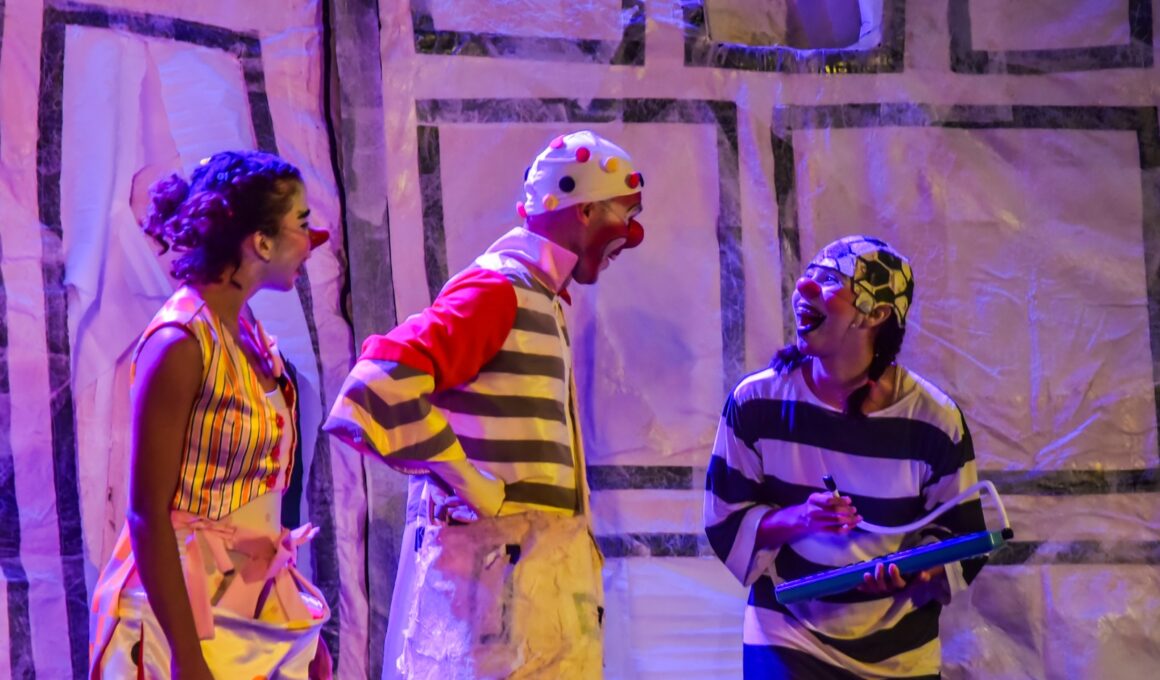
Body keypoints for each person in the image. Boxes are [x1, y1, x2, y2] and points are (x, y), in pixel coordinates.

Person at [324, 130, 645, 678]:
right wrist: (469, 483)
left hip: (536, 599)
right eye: (626, 214)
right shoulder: (499, 289)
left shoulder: (540, 299)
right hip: (497, 606)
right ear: (587, 210)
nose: (633, 235)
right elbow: (376, 385)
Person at [89, 150, 332, 679]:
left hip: (248, 611)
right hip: (182, 613)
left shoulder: (249, 334)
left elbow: (258, 503)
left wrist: (294, 620)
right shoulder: (179, 343)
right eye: (302, 223)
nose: (316, 240)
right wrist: (186, 654)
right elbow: (147, 513)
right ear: (261, 241)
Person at [704, 236, 987, 679]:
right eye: (811, 274)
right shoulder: (756, 402)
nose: (805, 287)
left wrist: (914, 570)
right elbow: (725, 518)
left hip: (899, 654)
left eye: (830, 280)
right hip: (787, 636)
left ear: (876, 314)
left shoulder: (934, 420)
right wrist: (800, 519)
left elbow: (962, 536)